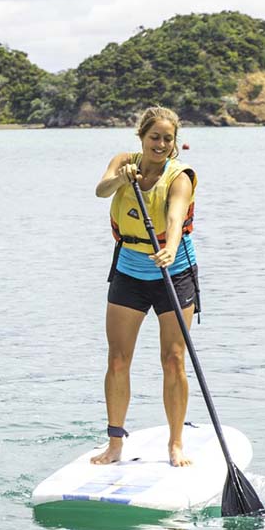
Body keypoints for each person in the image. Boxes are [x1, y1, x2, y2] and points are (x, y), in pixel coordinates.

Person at [91, 106, 200, 467]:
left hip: (174, 272)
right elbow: (101, 191)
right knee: (118, 359)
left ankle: (176, 443)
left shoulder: (180, 176)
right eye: (155, 137)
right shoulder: (124, 162)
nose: (161, 144)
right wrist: (121, 179)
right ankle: (115, 444)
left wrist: (170, 248)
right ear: (141, 136)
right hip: (130, 272)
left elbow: (175, 216)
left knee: (173, 359)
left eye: (168, 139)